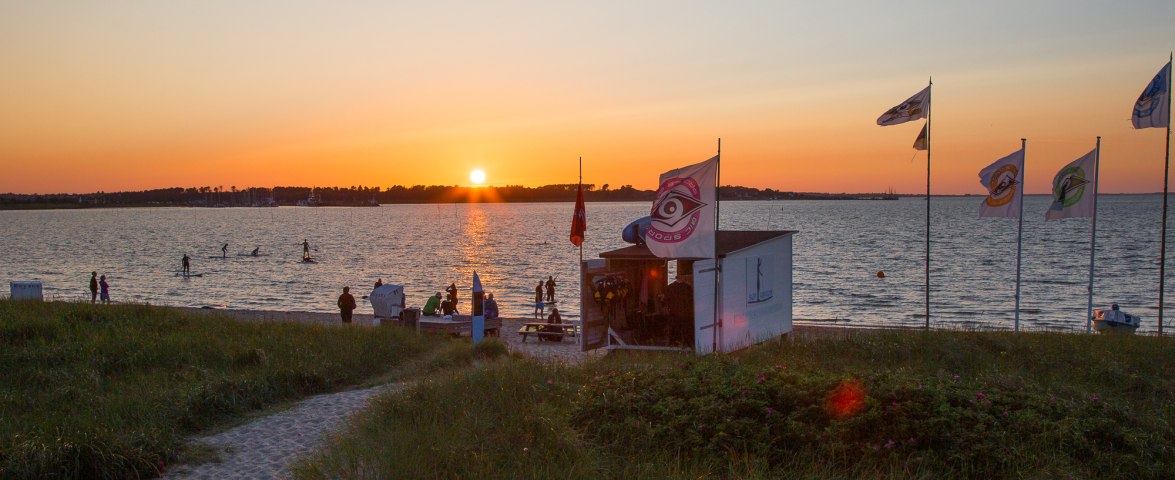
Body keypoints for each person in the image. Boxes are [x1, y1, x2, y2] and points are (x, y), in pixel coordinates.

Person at [664, 275, 695, 346]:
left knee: (676, 333)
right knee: (685, 332)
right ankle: (685, 345)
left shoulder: (670, 287)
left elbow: (666, 301)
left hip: (675, 315)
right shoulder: (687, 288)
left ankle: (675, 345)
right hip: (685, 315)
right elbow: (690, 301)